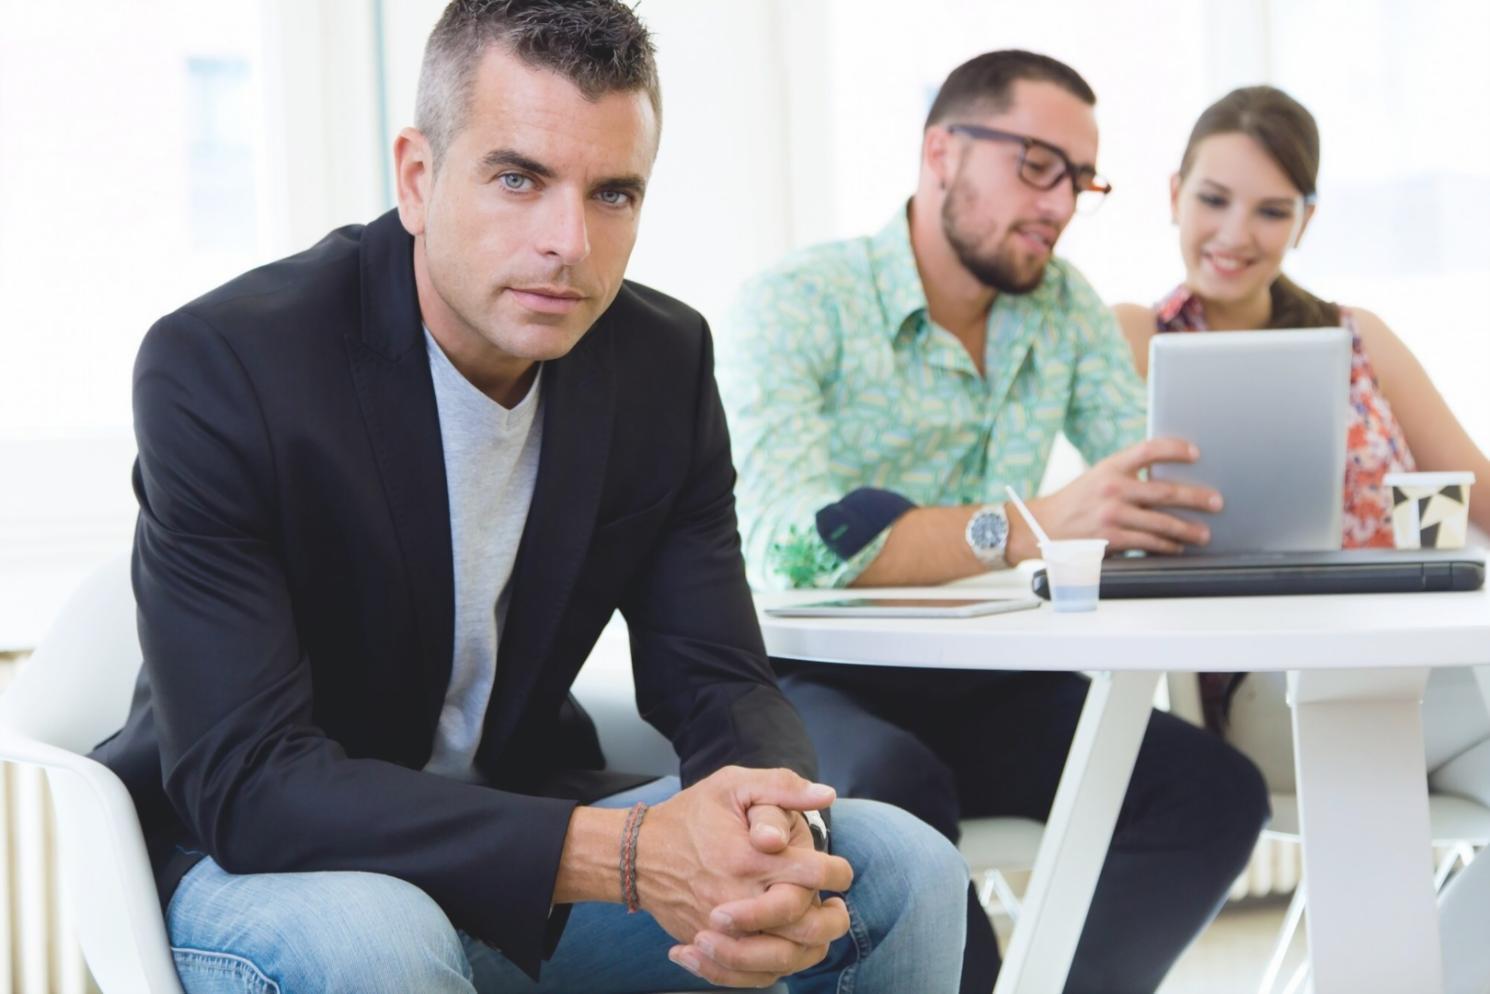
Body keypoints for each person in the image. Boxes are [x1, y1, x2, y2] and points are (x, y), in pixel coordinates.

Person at [89, 3, 970, 992]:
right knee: (375, 938)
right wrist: (628, 854)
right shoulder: (229, 365)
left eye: (612, 193)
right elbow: (252, 783)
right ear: (418, 178)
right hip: (270, 867)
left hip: (519, 846)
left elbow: (718, 677)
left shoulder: (659, 363)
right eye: (519, 178)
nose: (570, 243)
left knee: (897, 869)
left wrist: (771, 827)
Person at [717, 49, 1270, 994]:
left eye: (1079, 180)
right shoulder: (799, 303)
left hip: (990, 679)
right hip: (813, 678)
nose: (1058, 203)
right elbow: (790, 541)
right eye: (1034, 164)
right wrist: (1026, 528)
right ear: (942, 152)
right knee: (896, 786)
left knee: (1214, 794)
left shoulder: (1061, 309)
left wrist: (1216, 494)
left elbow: (1151, 465)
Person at [1113, 83, 1490, 994]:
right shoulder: (1135, 337)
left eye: (1271, 210)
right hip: (1267, 689)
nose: (1236, 232)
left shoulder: (1360, 336)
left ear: (1305, 220)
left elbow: (1477, 490)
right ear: (1173, 195)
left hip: (1420, 671)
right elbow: (1114, 512)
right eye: (1213, 199)